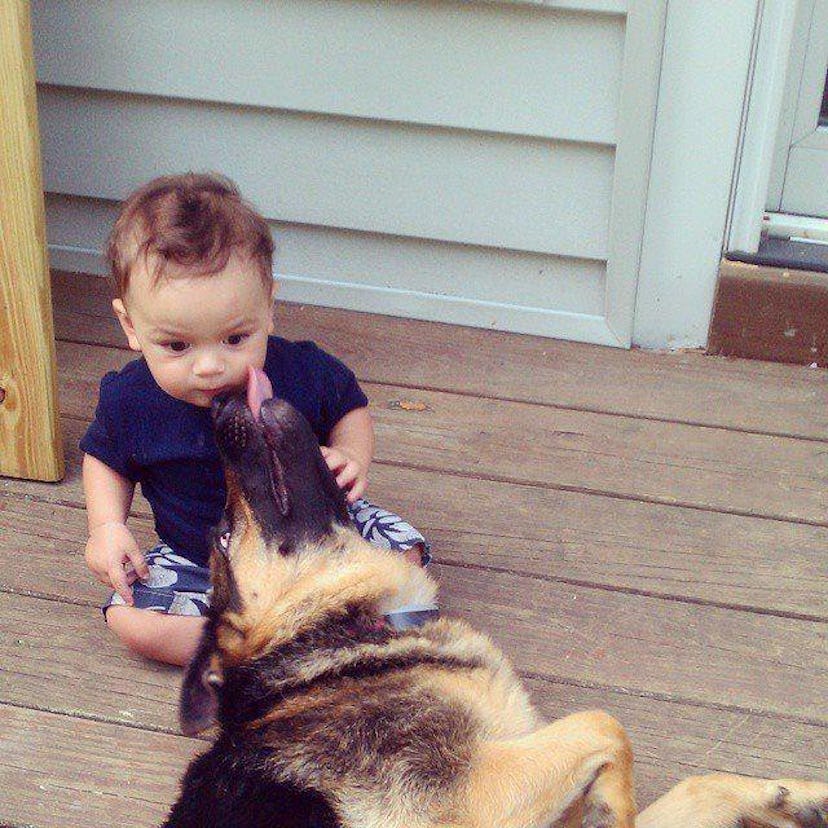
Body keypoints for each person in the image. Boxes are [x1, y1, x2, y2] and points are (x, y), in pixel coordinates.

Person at [81, 172, 432, 666]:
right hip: (203, 558)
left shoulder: (301, 370)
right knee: (133, 620)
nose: (209, 366)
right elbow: (105, 460)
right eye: (177, 346)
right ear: (130, 326)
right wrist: (106, 526)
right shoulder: (131, 400)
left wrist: (351, 455)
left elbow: (349, 406)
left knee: (404, 563)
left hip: (317, 536)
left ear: (268, 308)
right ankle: (297, 633)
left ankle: (281, 632)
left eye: (234, 339)